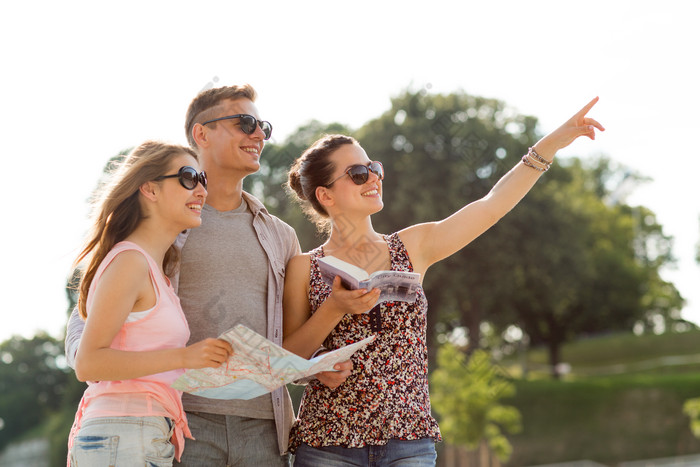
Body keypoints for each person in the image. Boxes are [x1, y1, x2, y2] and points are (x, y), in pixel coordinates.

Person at [283, 98, 605, 465]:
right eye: (358, 174)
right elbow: (288, 362)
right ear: (325, 195)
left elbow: (492, 204)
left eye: (374, 168)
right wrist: (333, 310)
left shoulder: (413, 245)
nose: (373, 178)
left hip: (408, 443)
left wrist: (550, 145)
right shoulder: (303, 268)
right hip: (328, 444)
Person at [66, 84, 351, 465]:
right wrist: (110, 380)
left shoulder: (280, 236)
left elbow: (286, 336)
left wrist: (312, 367)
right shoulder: (162, 230)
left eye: (262, 126)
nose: (258, 135)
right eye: (244, 122)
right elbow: (86, 328)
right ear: (201, 133)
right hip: (180, 422)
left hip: (264, 425)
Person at [67, 141, 234, 466]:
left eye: (203, 179)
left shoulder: (154, 270)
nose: (201, 190)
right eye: (188, 177)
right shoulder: (131, 262)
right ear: (149, 189)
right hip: (124, 432)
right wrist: (185, 356)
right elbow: (88, 363)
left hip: (141, 432)